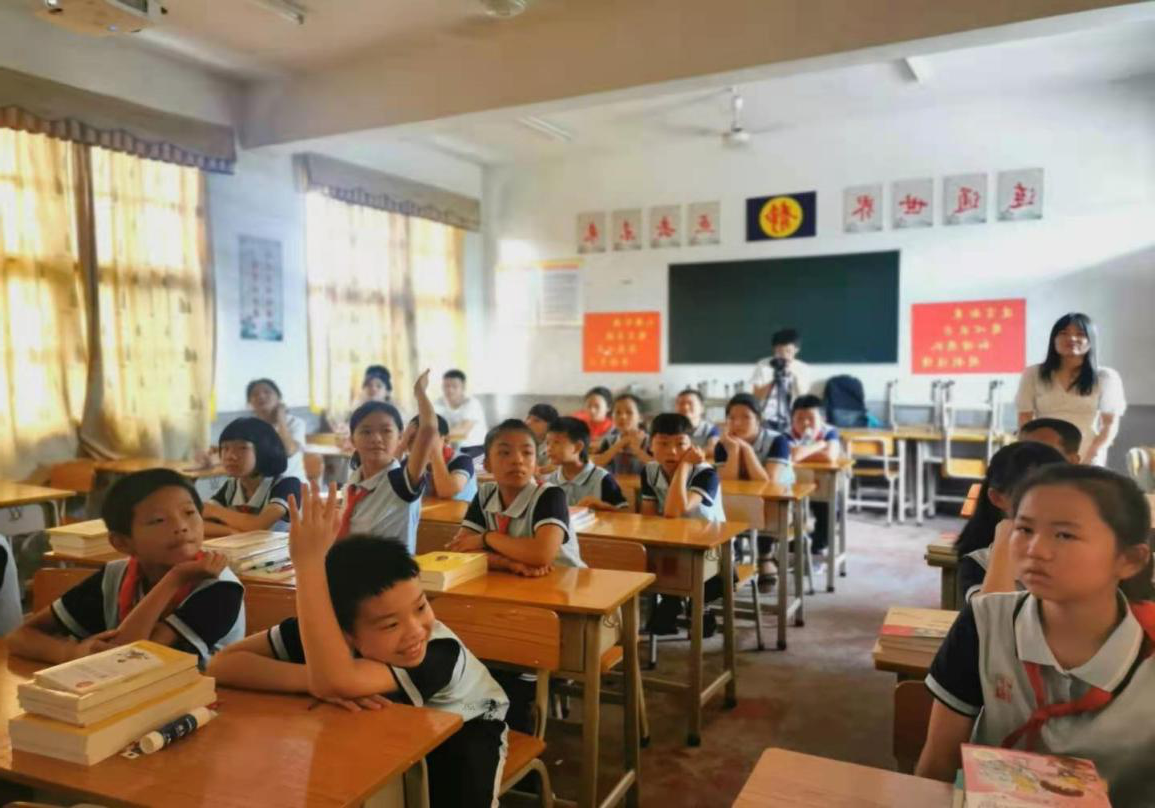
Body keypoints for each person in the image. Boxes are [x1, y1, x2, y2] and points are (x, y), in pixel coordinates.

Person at [207, 494, 510, 808]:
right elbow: (221, 664)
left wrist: (308, 564)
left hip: (468, 727)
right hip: (388, 730)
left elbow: (338, 681)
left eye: (420, 606)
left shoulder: (438, 652)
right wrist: (314, 678)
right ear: (343, 632)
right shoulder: (322, 629)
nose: (415, 630)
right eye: (390, 625)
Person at [917, 465, 1155, 808]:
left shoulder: (1146, 650)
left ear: (1130, 560)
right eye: (1025, 529)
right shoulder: (985, 621)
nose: (1035, 550)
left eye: (1064, 535)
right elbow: (937, 763)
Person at [10, 469, 245, 665]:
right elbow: (19, 636)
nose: (181, 526)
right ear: (122, 543)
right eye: (158, 520)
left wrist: (174, 578)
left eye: (189, 512)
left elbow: (129, 660)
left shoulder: (221, 588)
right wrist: (70, 653)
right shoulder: (114, 577)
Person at [448, 419, 584, 574]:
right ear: (487, 464)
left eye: (527, 453)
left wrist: (486, 538)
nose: (518, 460)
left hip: (564, 582)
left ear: (536, 464)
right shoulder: (485, 493)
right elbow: (460, 548)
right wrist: (507, 563)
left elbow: (542, 554)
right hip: (515, 581)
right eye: (505, 453)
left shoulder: (550, 495)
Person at [641, 413, 726, 636]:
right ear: (650, 446)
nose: (672, 451)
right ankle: (672, 599)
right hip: (672, 546)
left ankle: (697, 605)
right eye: (663, 444)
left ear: (692, 447)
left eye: (680, 444)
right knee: (643, 553)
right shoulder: (649, 471)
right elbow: (648, 518)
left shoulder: (706, 473)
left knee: (689, 569)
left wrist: (685, 465)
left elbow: (674, 511)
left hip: (710, 550)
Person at [954, 442, 1067, 604]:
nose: (1051, 504)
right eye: (1031, 495)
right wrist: (1005, 538)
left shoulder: (1081, 550)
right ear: (997, 498)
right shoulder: (980, 562)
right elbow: (993, 614)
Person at [339, 371, 437, 552]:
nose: (376, 438)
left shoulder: (401, 483)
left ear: (400, 437)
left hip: (391, 570)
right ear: (352, 440)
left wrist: (420, 392)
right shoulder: (353, 483)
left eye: (386, 431)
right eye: (366, 431)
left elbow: (429, 429)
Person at [1015, 313, 1126, 466]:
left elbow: (1109, 424)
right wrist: (1029, 450)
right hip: (1043, 451)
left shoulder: (1106, 377)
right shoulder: (1033, 373)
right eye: (1064, 333)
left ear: (1091, 341)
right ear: (1053, 340)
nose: (1072, 338)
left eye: (1080, 334)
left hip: (1087, 451)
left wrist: (1093, 454)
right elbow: (1024, 418)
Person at [201, 417, 302, 537]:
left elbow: (258, 525)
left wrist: (214, 511)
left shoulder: (287, 484)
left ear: (264, 450)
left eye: (242, 448)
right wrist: (231, 531)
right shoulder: (232, 486)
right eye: (225, 448)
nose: (230, 456)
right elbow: (197, 523)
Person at [782, 395, 841, 566]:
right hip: (794, 484)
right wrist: (820, 445)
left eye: (811, 418)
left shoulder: (829, 431)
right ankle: (795, 548)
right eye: (799, 418)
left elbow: (829, 456)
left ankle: (817, 548)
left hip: (824, 483)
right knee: (789, 512)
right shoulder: (787, 434)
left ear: (822, 419)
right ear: (792, 419)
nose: (805, 423)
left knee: (829, 510)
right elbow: (793, 455)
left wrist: (802, 452)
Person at [545, 417, 630, 511]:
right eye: (547, 443)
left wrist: (603, 506)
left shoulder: (602, 479)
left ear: (578, 447)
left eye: (556, 442)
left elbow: (625, 513)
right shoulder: (550, 481)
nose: (549, 448)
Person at [714, 393, 793, 483]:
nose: (737, 423)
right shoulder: (724, 443)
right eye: (732, 418)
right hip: (744, 492)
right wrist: (733, 450)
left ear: (758, 419)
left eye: (746, 417)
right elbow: (726, 484)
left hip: (781, 491)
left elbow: (769, 484)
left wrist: (747, 449)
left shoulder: (778, 441)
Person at [399, 414, 477, 503]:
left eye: (427, 438)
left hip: (462, 511)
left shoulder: (462, 461)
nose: (417, 445)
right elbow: (390, 489)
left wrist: (435, 452)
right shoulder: (410, 463)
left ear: (446, 440)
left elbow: (446, 492)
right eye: (411, 439)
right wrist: (401, 447)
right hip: (429, 511)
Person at [247, 378, 307, 482]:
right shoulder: (248, 427)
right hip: (260, 485)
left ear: (278, 398)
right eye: (255, 394)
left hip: (292, 484)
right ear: (249, 403)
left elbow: (289, 451)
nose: (261, 396)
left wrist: (281, 419)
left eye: (267, 392)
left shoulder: (295, 423)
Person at [750, 328, 810, 432]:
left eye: (788, 351)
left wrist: (793, 375)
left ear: (796, 350)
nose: (784, 355)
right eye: (779, 351)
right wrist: (775, 380)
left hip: (793, 417)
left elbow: (803, 398)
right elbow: (756, 395)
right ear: (774, 349)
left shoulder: (802, 368)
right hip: (766, 416)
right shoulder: (763, 365)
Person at [591, 393, 653, 476]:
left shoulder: (650, 442)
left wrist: (637, 450)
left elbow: (660, 468)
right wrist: (622, 442)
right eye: (618, 412)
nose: (623, 417)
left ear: (641, 417)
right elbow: (595, 465)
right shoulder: (609, 441)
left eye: (629, 412)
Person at [435, 369, 488, 448]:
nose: (450, 390)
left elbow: (462, 431)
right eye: (446, 386)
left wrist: (433, 434)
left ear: (463, 387)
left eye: (454, 386)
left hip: (475, 449)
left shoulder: (472, 404)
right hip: (451, 449)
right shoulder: (438, 403)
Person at [674, 388, 721, 456]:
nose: (685, 407)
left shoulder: (710, 429)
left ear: (702, 408)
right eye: (681, 403)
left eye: (690, 403)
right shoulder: (671, 428)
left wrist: (690, 456)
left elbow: (713, 449)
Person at [525, 403, 559, 469]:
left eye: (536, 420)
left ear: (550, 426)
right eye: (528, 418)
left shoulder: (554, 450)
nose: (528, 423)